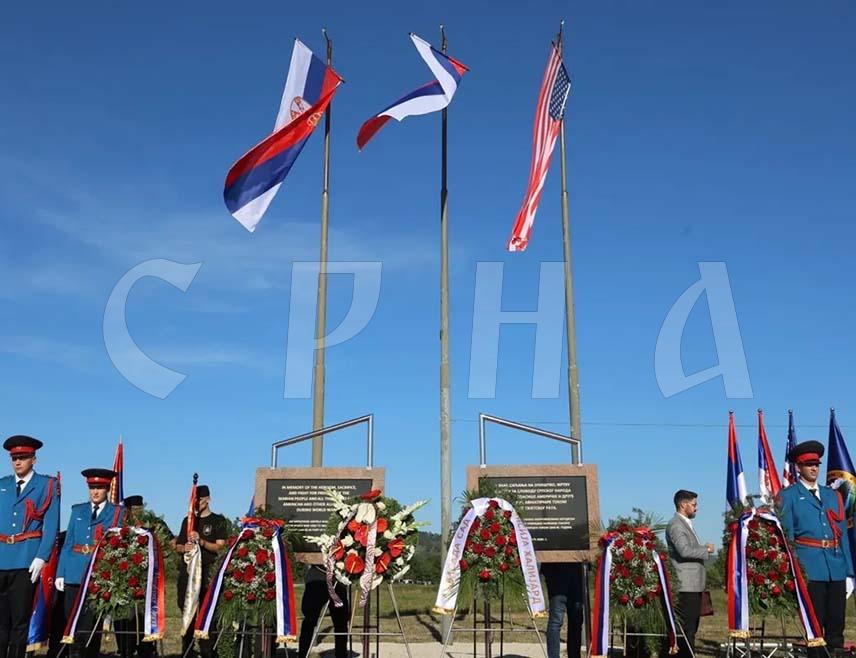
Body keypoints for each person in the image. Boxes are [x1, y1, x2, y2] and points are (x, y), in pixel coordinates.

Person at [777, 440, 853, 656]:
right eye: (809, 464)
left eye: (817, 464)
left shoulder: (833, 495)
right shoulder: (788, 496)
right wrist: (793, 570)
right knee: (815, 622)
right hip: (809, 568)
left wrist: (848, 570)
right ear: (798, 467)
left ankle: (836, 652)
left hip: (835, 566)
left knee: (837, 622)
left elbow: (843, 535)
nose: (814, 468)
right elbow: (787, 536)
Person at [0, 435, 59, 658]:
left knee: (19, 621)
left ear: (34, 459)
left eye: (23, 457)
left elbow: (51, 524)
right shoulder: (2, 485)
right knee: (0, 623)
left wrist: (42, 556)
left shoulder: (47, 485)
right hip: (1, 557)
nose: (17, 462)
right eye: (14, 458)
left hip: (26, 559)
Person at [55, 468, 122, 658]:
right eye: (92, 487)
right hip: (73, 573)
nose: (95, 492)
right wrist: (61, 572)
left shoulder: (116, 513)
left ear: (107, 489)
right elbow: (68, 543)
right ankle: (74, 654)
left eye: (100, 487)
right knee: (71, 622)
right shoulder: (77, 510)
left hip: (97, 575)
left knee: (91, 625)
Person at [115, 495, 174, 658]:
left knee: (146, 619)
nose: (138, 513)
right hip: (125, 582)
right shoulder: (120, 525)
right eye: (134, 510)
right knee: (125, 620)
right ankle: (125, 649)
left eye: (140, 509)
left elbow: (170, 542)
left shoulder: (154, 524)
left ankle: (147, 649)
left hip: (149, 580)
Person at [175, 485, 226, 658]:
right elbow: (179, 545)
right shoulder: (187, 521)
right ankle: (187, 650)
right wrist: (184, 548)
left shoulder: (218, 520)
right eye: (194, 500)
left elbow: (220, 546)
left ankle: (208, 651)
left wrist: (202, 542)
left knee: (207, 617)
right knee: (187, 612)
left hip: (207, 574)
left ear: (208, 499)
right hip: (188, 576)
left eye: (200, 499)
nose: (197, 503)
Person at [666, 490, 715, 658]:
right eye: (694, 504)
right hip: (685, 585)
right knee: (687, 629)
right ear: (683, 504)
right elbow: (684, 550)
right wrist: (705, 550)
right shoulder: (676, 525)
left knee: (692, 627)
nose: (696, 508)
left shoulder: (685, 523)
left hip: (694, 584)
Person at [298, 564, 350, 658]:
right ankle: (303, 654)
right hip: (317, 578)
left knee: (341, 622)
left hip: (338, 581)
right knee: (309, 620)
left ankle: (341, 654)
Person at [540, 563, 584, 658]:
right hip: (555, 569)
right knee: (556, 620)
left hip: (576, 567)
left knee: (576, 619)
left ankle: (575, 655)